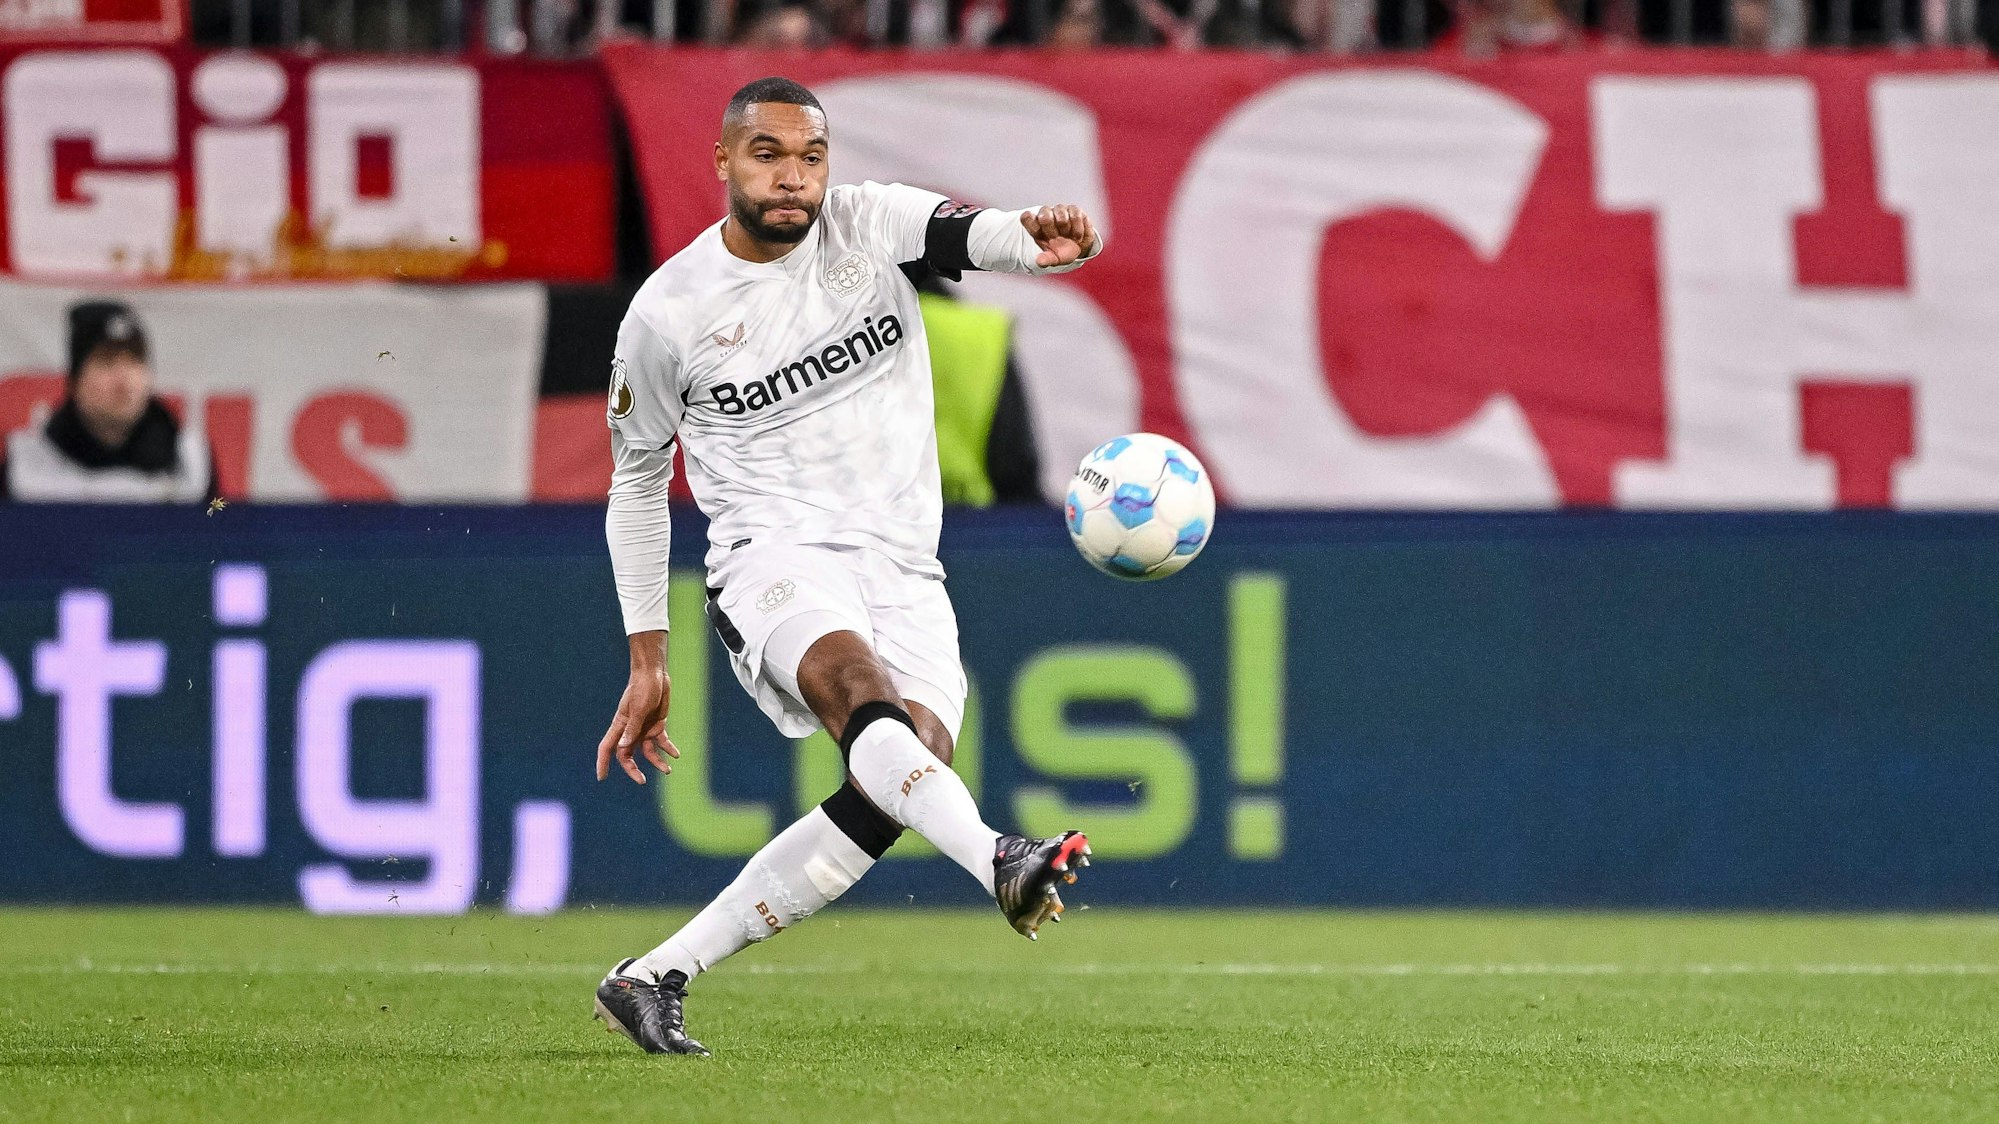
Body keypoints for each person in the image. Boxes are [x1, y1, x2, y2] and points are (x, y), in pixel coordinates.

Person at [591, 76, 1102, 1056]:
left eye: (811, 157)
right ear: (724, 162)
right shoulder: (668, 314)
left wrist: (1037, 239)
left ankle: (656, 973)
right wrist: (648, 652)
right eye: (769, 154)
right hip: (770, 555)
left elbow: (969, 232)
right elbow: (635, 483)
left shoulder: (866, 227)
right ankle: (1000, 852)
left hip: (903, 564)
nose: (793, 177)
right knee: (859, 693)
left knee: (904, 769)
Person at [0, 301, 215, 505]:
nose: (125, 379)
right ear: (75, 381)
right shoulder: (28, 463)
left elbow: (218, 524)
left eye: (135, 360)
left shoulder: (189, 461)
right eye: (106, 361)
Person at [912, 272, 1043, 506]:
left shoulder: (838, 330)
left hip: (856, 525)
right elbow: (1015, 464)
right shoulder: (978, 332)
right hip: (967, 524)